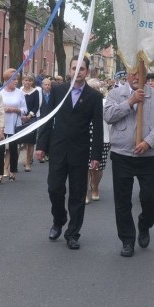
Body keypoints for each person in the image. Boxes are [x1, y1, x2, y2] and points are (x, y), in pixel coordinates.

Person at [36, 58, 104, 250]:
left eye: (81, 69)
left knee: (77, 194)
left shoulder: (94, 97)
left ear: (87, 72)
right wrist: (41, 146)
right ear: (70, 70)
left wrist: (96, 156)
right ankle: (59, 220)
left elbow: (98, 129)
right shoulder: (58, 91)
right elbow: (47, 120)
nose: (78, 72)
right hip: (57, 149)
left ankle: (73, 233)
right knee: (54, 188)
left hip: (80, 151)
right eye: (75, 68)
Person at [104, 69, 154, 257]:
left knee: (150, 199)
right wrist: (130, 102)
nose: (136, 77)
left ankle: (145, 224)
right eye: (133, 73)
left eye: (140, 73)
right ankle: (127, 240)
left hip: (149, 156)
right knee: (122, 201)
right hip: (122, 155)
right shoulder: (116, 93)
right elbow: (108, 116)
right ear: (127, 75)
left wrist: (148, 142)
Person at [0, 68, 27, 182]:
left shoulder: (19, 93)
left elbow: (25, 109)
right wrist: (2, 109)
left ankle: (12, 171)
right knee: (0, 149)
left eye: (17, 79)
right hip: (2, 124)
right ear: (6, 79)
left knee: (13, 148)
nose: (16, 81)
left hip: (14, 123)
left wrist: (15, 109)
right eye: (14, 79)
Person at [85, 78, 111, 204]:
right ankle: (84, 192)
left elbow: (110, 120)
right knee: (84, 166)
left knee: (98, 167)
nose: (93, 91)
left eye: (96, 88)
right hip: (84, 137)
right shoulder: (82, 101)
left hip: (102, 138)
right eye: (91, 88)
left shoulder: (105, 103)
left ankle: (95, 186)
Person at [20, 73, 41, 172]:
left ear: (32, 82)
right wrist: (21, 116)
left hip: (31, 118)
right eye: (25, 80)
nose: (27, 82)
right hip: (20, 118)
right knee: (21, 141)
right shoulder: (19, 91)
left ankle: (28, 162)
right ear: (22, 81)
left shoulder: (35, 92)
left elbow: (36, 106)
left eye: (29, 80)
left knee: (30, 142)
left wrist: (29, 115)